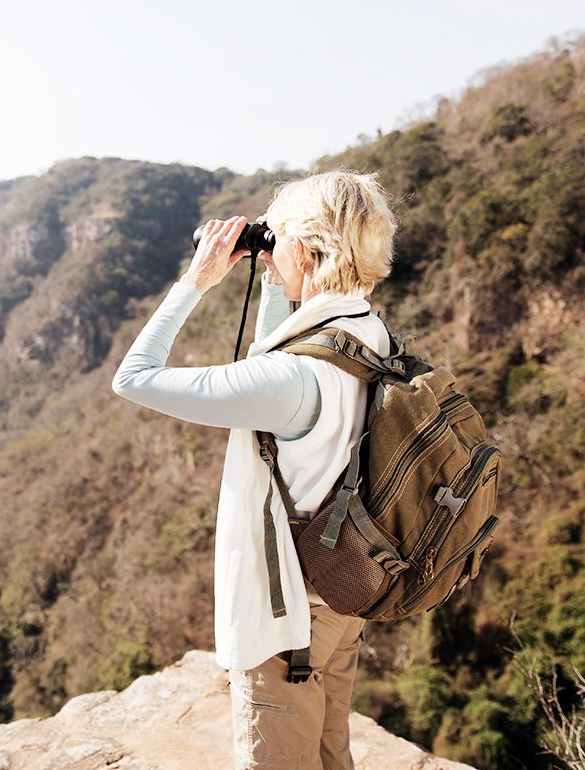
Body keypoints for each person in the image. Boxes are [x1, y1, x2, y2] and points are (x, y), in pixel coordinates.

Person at [111, 168, 398, 770]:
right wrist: (275, 278)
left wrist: (196, 281)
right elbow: (282, 362)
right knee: (330, 755)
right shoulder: (365, 332)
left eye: (280, 239)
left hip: (288, 623)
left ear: (302, 247)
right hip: (344, 594)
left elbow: (133, 378)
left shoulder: (290, 378)